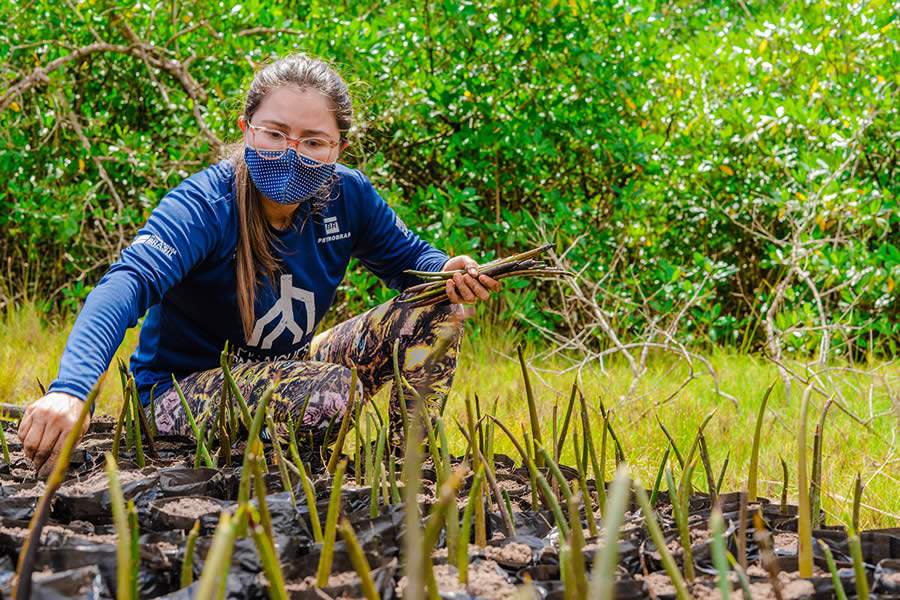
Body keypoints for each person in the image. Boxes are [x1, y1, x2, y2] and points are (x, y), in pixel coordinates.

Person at [18, 53, 500, 474]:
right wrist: (72, 389)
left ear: (338, 148)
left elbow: (412, 261)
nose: (292, 153)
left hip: (287, 368)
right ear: (247, 130)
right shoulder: (205, 205)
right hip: (177, 393)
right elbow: (127, 283)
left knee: (437, 306)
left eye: (313, 142)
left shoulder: (346, 195)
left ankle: (405, 468)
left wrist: (446, 270)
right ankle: (278, 464)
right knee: (332, 391)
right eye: (275, 134)